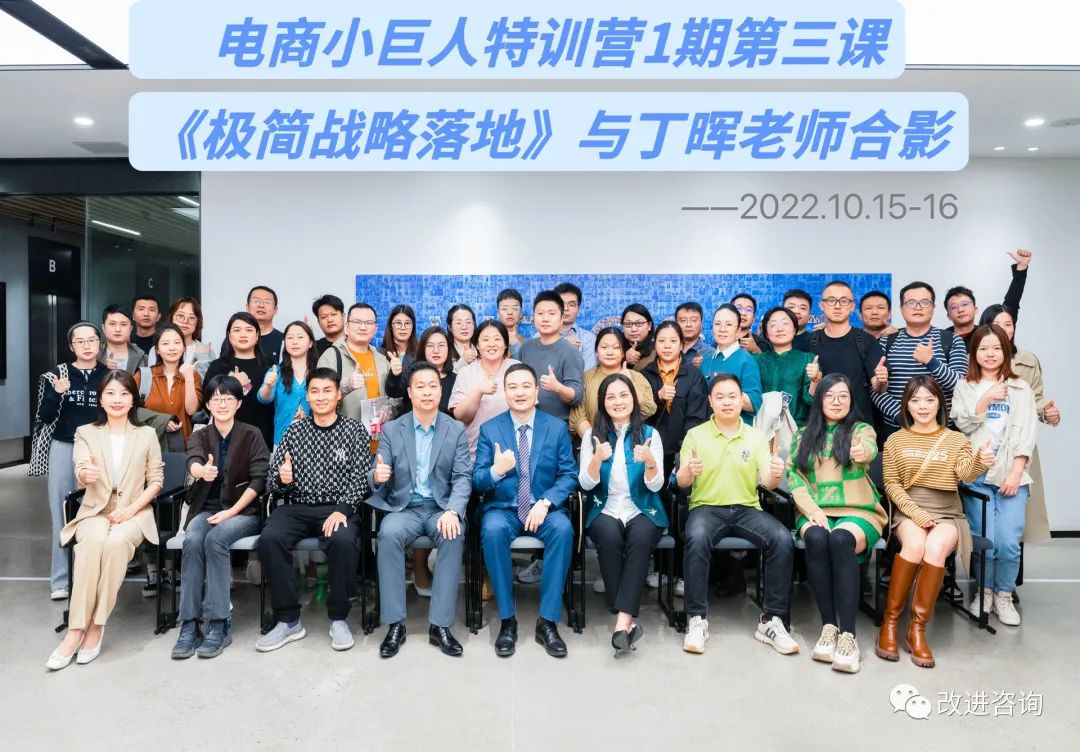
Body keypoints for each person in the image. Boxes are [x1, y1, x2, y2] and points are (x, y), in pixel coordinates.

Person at [46, 370, 163, 670]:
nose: (117, 399)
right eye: (110, 393)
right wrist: (86, 474)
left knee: (115, 544)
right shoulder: (86, 432)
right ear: (101, 398)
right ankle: (75, 631)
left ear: (133, 399)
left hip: (134, 511)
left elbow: (155, 481)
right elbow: (81, 467)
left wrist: (131, 510)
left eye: (124, 393)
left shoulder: (146, 435)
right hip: (95, 510)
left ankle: (96, 626)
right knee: (92, 543)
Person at [677, 373, 797, 656]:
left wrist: (775, 474)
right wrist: (688, 471)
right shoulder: (695, 435)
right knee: (695, 537)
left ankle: (771, 621)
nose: (727, 402)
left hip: (746, 508)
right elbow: (682, 482)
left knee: (782, 538)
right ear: (710, 401)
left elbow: (766, 482)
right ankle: (696, 618)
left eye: (732, 396)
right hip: (707, 507)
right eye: (720, 397)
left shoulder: (756, 437)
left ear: (741, 400)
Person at [877, 375, 993, 668]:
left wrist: (980, 461)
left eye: (929, 399)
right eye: (915, 400)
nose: (923, 406)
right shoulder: (895, 440)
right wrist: (917, 514)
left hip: (948, 511)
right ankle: (890, 623)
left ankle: (917, 630)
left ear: (940, 403)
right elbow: (891, 485)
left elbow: (965, 474)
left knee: (936, 547)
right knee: (915, 545)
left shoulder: (956, 439)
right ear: (907, 405)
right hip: (908, 509)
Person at [256, 368, 373, 653]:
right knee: (270, 538)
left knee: (343, 540)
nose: (320, 397)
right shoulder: (294, 431)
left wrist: (343, 509)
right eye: (314, 391)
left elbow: (361, 477)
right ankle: (288, 620)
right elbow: (273, 482)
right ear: (307, 396)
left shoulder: (354, 430)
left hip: (337, 506)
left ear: (338, 394)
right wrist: (283, 480)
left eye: (327, 391)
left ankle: (338, 618)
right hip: (297, 506)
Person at [367, 362, 473, 658]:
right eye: (420, 387)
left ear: (440, 392)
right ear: (410, 393)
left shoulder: (455, 429)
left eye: (432, 386)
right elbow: (377, 471)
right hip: (405, 508)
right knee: (388, 534)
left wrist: (453, 511)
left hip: (441, 508)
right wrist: (377, 476)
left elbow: (463, 477)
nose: (427, 392)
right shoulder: (392, 429)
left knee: (453, 534)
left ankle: (440, 626)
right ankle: (395, 625)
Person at [473, 364, 577, 658]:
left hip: (543, 507)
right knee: (492, 530)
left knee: (563, 530)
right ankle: (508, 620)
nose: (519, 392)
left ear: (537, 391)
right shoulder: (490, 429)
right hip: (504, 508)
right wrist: (496, 471)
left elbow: (569, 474)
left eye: (526, 386)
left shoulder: (555, 427)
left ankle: (548, 622)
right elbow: (477, 481)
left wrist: (546, 502)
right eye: (513, 387)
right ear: (505, 393)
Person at [788, 374, 887, 674]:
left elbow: (868, 449)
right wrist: (811, 509)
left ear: (851, 400)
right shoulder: (802, 434)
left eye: (843, 395)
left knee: (840, 540)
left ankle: (848, 635)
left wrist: (862, 452)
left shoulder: (861, 430)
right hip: (815, 509)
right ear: (819, 399)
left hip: (859, 509)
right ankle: (829, 626)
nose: (836, 401)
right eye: (829, 395)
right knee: (817, 538)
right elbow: (794, 478)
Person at [172, 375, 269, 659]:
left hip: (244, 511)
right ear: (208, 404)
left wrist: (232, 511)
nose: (222, 404)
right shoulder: (200, 435)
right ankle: (189, 623)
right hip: (207, 508)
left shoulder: (252, 434)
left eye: (228, 399)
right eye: (216, 399)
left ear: (238, 403)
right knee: (192, 540)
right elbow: (193, 460)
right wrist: (201, 471)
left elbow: (259, 479)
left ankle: (219, 622)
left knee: (215, 540)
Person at [951, 325, 1038, 626]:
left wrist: (1016, 472)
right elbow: (962, 425)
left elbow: (1027, 434)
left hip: (1012, 474)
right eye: (983, 348)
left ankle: (1004, 594)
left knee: (1009, 541)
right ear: (974, 352)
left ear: (1006, 351)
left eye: (997, 348)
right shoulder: (964, 386)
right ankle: (984, 592)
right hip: (976, 473)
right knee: (984, 541)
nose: (990, 354)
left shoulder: (1021, 388)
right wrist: (986, 398)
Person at [579, 374, 667, 655]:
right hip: (604, 506)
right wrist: (596, 459)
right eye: (611, 397)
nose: (618, 402)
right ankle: (627, 622)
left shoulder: (650, 434)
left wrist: (651, 463)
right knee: (609, 536)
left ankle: (622, 620)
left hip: (642, 506)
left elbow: (656, 485)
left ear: (633, 399)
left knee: (640, 538)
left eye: (623, 395)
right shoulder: (592, 435)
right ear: (603, 402)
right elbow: (585, 484)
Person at [36, 322, 110, 601]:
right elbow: (44, 416)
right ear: (71, 346)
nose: (87, 345)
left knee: (98, 511)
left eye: (92, 340)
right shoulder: (59, 374)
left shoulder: (109, 375)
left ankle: (95, 578)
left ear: (100, 344)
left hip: (99, 448)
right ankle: (61, 580)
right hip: (64, 446)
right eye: (80, 341)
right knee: (62, 512)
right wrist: (56, 392)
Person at [980, 303, 1059, 549]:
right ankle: (983, 570)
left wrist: (1048, 413)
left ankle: (1012, 571)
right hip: (986, 444)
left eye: (1009, 324)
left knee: (1016, 515)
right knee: (982, 519)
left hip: (1018, 445)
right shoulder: (976, 358)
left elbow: (1037, 399)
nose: (1004, 329)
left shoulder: (1027, 361)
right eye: (996, 325)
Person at [642, 320, 709, 595]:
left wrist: (685, 452)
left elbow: (698, 418)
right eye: (662, 341)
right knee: (655, 508)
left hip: (682, 453)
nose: (667, 346)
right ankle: (660, 568)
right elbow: (639, 414)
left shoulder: (693, 375)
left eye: (673, 341)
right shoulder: (645, 374)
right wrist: (657, 397)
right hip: (653, 453)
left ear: (682, 344)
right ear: (654, 343)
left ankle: (681, 572)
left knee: (681, 511)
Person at [872, 281, 968, 442]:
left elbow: (961, 387)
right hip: (897, 430)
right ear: (901, 309)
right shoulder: (885, 343)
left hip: (942, 430)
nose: (918, 307)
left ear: (933, 307)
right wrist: (903, 417)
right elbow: (875, 390)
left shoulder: (952, 340)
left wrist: (931, 361)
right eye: (911, 302)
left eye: (924, 302)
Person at [806, 280, 884, 425]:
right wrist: (815, 379)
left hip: (858, 425)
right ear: (821, 305)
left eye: (843, 301)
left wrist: (881, 380)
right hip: (821, 426)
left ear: (852, 306)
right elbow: (807, 393)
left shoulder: (866, 340)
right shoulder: (809, 342)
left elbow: (878, 388)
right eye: (831, 300)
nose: (837, 306)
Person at [316, 302, 397, 429]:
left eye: (369, 323)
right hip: (343, 436)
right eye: (357, 322)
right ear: (346, 326)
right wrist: (348, 385)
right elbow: (319, 398)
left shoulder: (382, 360)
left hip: (378, 437)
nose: (363, 327)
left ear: (375, 328)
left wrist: (388, 409)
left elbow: (396, 396)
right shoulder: (331, 357)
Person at [569, 327, 657, 439]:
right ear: (596, 352)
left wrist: (630, 382)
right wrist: (595, 443)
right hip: (593, 441)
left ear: (624, 352)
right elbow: (578, 417)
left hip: (629, 442)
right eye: (604, 347)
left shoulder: (636, 377)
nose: (610, 352)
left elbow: (648, 409)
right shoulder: (585, 378)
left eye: (616, 347)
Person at [449, 320, 519, 459]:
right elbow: (460, 416)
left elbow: (529, 409)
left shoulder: (517, 368)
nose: (491, 344)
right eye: (485, 339)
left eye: (497, 339)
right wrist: (478, 391)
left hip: (513, 450)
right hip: (475, 452)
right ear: (477, 345)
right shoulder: (466, 372)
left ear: (505, 344)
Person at [204, 312, 275, 448]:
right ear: (229, 335)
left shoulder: (270, 366)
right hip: (224, 439)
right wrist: (233, 383)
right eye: (237, 330)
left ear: (257, 335)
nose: (243, 335)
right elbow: (206, 403)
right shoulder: (217, 366)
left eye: (249, 330)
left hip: (263, 437)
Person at [516, 290, 585, 423]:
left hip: (557, 426)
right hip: (525, 423)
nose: (545, 319)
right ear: (534, 317)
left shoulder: (570, 352)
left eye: (551, 314)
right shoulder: (526, 348)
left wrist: (558, 387)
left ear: (562, 318)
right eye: (540, 313)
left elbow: (577, 396)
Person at [135, 324, 202, 450]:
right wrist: (163, 421)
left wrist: (188, 377)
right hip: (148, 448)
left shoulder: (193, 376)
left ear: (183, 347)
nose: (172, 348)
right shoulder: (143, 376)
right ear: (157, 350)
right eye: (165, 343)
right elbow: (131, 410)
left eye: (177, 342)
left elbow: (191, 410)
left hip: (182, 447)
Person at [944, 249, 1031, 346]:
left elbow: (1011, 303)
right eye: (954, 307)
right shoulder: (940, 340)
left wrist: (1021, 268)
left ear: (976, 310)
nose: (960, 310)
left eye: (964, 304)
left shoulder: (988, 334)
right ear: (948, 316)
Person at [699, 303, 762, 422]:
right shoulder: (706, 360)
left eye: (728, 324)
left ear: (738, 330)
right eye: (717, 324)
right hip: (710, 427)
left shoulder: (747, 360)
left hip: (738, 428)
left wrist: (726, 392)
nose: (722, 329)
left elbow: (755, 403)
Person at [755, 307, 817, 427]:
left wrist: (815, 380)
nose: (780, 329)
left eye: (785, 323)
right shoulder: (757, 361)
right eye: (773, 325)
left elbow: (811, 399)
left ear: (794, 330)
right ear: (766, 333)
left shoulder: (807, 359)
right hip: (763, 427)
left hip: (796, 428)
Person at [257, 321, 316, 446]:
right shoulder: (276, 371)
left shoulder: (319, 372)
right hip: (282, 441)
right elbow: (263, 399)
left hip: (315, 442)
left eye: (300, 337)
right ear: (284, 343)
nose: (295, 342)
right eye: (290, 338)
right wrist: (268, 386)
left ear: (310, 343)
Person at [386, 326, 458, 416]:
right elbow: (393, 392)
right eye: (430, 345)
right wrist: (395, 374)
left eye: (441, 345)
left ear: (448, 349)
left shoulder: (456, 380)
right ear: (423, 349)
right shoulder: (412, 373)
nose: (436, 350)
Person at [154, 297, 216, 378]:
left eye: (191, 318)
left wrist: (202, 356)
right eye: (180, 316)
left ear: (197, 322)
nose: (185, 321)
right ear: (171, 317)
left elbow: (211, 382)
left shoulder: (207, 350)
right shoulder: (159, 348)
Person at [554, 282, 597, 370]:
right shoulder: (539, 337)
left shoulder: (588, 338)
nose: (566, 308)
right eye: (561, 304)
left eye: (571, 305)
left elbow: (587, 373)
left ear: (578, 309)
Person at [98, 304, 146, 373]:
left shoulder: (143, 359)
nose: (118, 329)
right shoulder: (94, 355)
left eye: (123, 324)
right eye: (112, 324)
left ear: (130, 329)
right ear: (103, 328)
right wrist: (101, 368)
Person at [247, 285, 283, 363]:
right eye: (256, 301)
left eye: (267, 302)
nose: (261, 305)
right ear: (247, 307)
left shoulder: (284, 340)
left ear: (275, 310)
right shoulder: (236, 338)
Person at [621, 303, 657, 372]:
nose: (633, 329)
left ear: (649, 325)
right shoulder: (617, 347)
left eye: (639, 323)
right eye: (628, 324)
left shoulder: (657, 348)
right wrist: (624, 359)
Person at [447, 303, 479, 373]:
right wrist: (463, 361)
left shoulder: (481, 349)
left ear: (474, 325)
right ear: (450, 327)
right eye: (459, 323)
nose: (464, 327)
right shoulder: (445, 351)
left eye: (468, 322)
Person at [675, 302, 707, 368]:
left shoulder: (710, 354)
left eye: (694, 320)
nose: (688, 325)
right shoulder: (669, 351)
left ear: (701, 324)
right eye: (683, 320)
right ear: (676, 324)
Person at [496, 289, 527, 357]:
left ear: (521, 313)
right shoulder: (491, 341)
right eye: (504, 309)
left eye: (515, 308)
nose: (510, 312)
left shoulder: (527, 344)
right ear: (498, 313)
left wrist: (515, 343)